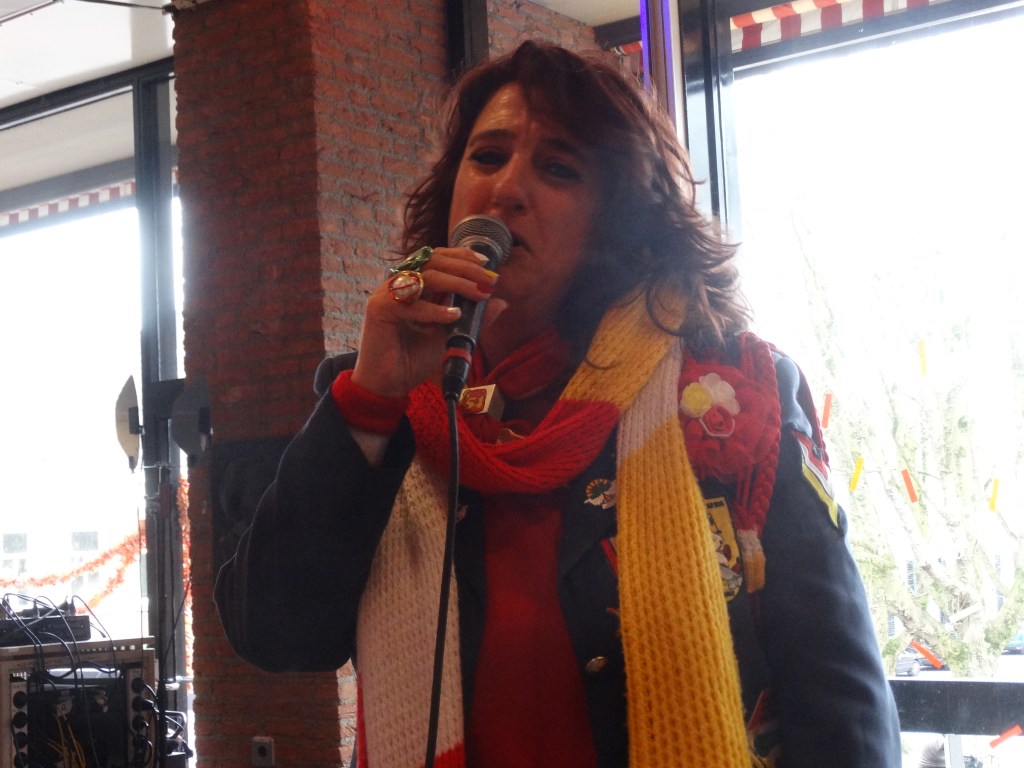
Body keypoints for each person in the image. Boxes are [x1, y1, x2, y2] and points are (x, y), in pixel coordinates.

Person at [215, 40, 901, 768]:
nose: (507, 189)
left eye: (559, 169)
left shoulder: (725, 393)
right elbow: (274, 634)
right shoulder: (386, 402)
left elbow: (839, 703)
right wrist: (369, 400)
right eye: (487, 157)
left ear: (618, 218)